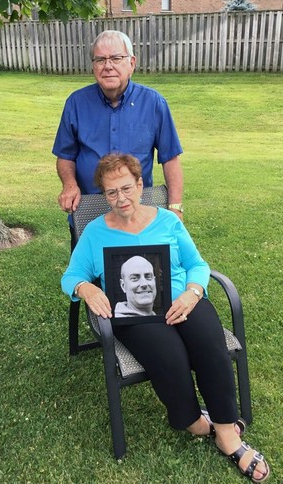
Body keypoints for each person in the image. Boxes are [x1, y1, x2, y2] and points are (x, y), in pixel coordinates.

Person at [61, 153, 269, 483]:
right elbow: (71, 276)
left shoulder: (168, 221)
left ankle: (228, 435)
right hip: (135, 312)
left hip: (183, 300)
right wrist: (86, 289)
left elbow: (198, 265)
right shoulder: (95, 233)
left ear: (140, 185)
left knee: (209, 345)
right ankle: (196, 423)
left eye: (127, 188)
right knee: (169, 357)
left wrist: (193, 293)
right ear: (103, 195)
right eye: (112, 192)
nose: (121, 198)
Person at [52, 29, 184, 248]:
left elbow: (170, 159)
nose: (108, 66)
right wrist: (69, 185)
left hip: (138, 209)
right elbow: (65, 155)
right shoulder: (76, 103)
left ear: (132, 63)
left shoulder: (154, 103)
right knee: (88, 275)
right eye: (100, 59)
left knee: (140, 274)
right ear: (93, 66)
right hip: (89, 209)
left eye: (116, 58)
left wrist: (175, 207)